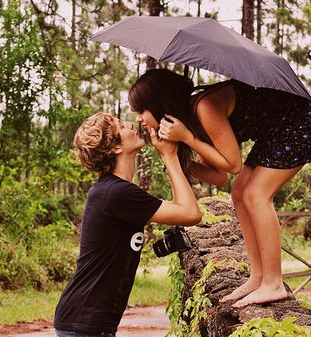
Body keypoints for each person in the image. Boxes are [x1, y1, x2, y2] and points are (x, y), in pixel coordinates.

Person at [129, 69, 311, 308]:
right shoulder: (191, 121)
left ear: (159, 105)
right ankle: (258, 277)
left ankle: (273, 284)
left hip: (304, 119)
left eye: (140, 111)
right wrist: (175, 159)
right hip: (277, 128)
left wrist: (188, 139)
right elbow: (219, 177)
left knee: (256, 195)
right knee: (239, 193)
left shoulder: (204, 107)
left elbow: (232, 165)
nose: (138, 118)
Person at [54, 112, 201, 337]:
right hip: (84, 323)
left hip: (88, 323)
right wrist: (169, 157)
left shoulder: (117, 192)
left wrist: (171, 154)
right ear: (115, 148)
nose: (131, 125)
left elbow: (182, 209)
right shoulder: (115, 193)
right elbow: (191, 213)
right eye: (121, 126)